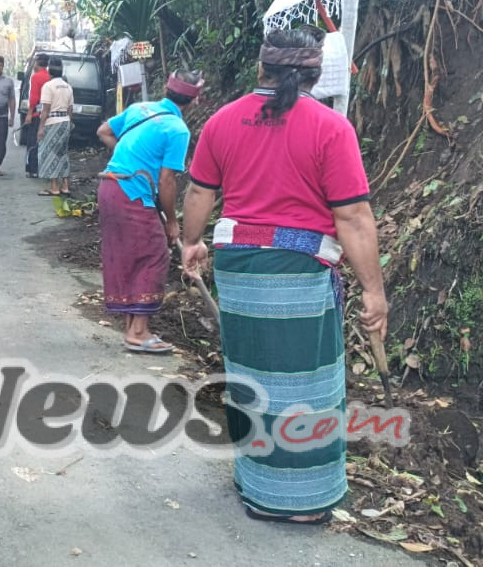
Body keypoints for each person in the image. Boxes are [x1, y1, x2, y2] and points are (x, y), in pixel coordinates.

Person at [179, 26, 387, 526]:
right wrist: (373, 290)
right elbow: (353, 217)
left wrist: (191, 243)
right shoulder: (330, 127)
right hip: (297, 272)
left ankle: (257, 484)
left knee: (252, 378)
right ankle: (300, 502)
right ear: (315, 74)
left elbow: (200, 193)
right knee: (305, 385)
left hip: (239, 270)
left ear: (261, 68)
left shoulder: (223, 122)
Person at [95, 70, 201, 353]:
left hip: (109, 187)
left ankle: (132, 327)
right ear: (194, 100)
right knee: (154, 255)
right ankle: (139, 332)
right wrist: (171, 222)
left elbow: (104, 131)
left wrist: (127, 158)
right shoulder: (177, 130)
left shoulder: (139, 108)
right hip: (131, 193)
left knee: (131, 256)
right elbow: (167, 181)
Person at [35, 61, 74, 196]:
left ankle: (54, 187)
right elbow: (70, 109)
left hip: (52, 122)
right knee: (63, 153)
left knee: (49, 153)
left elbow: (45, 110)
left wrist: (40, 128)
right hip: (65, 122)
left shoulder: (48, 86)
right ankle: (65, 186)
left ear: (49, 72)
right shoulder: (68, 87)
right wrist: (69, 124)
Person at [21, 54, 53, 178]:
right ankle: (43, 168)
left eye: (34, 62)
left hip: (37, 114)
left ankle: (33, 169)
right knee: (45, 142)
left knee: (33, 142)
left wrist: (29, 114)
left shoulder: (36, 77)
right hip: (49, 114)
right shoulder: (50, 77)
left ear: (37, 63)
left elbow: (34, 98)